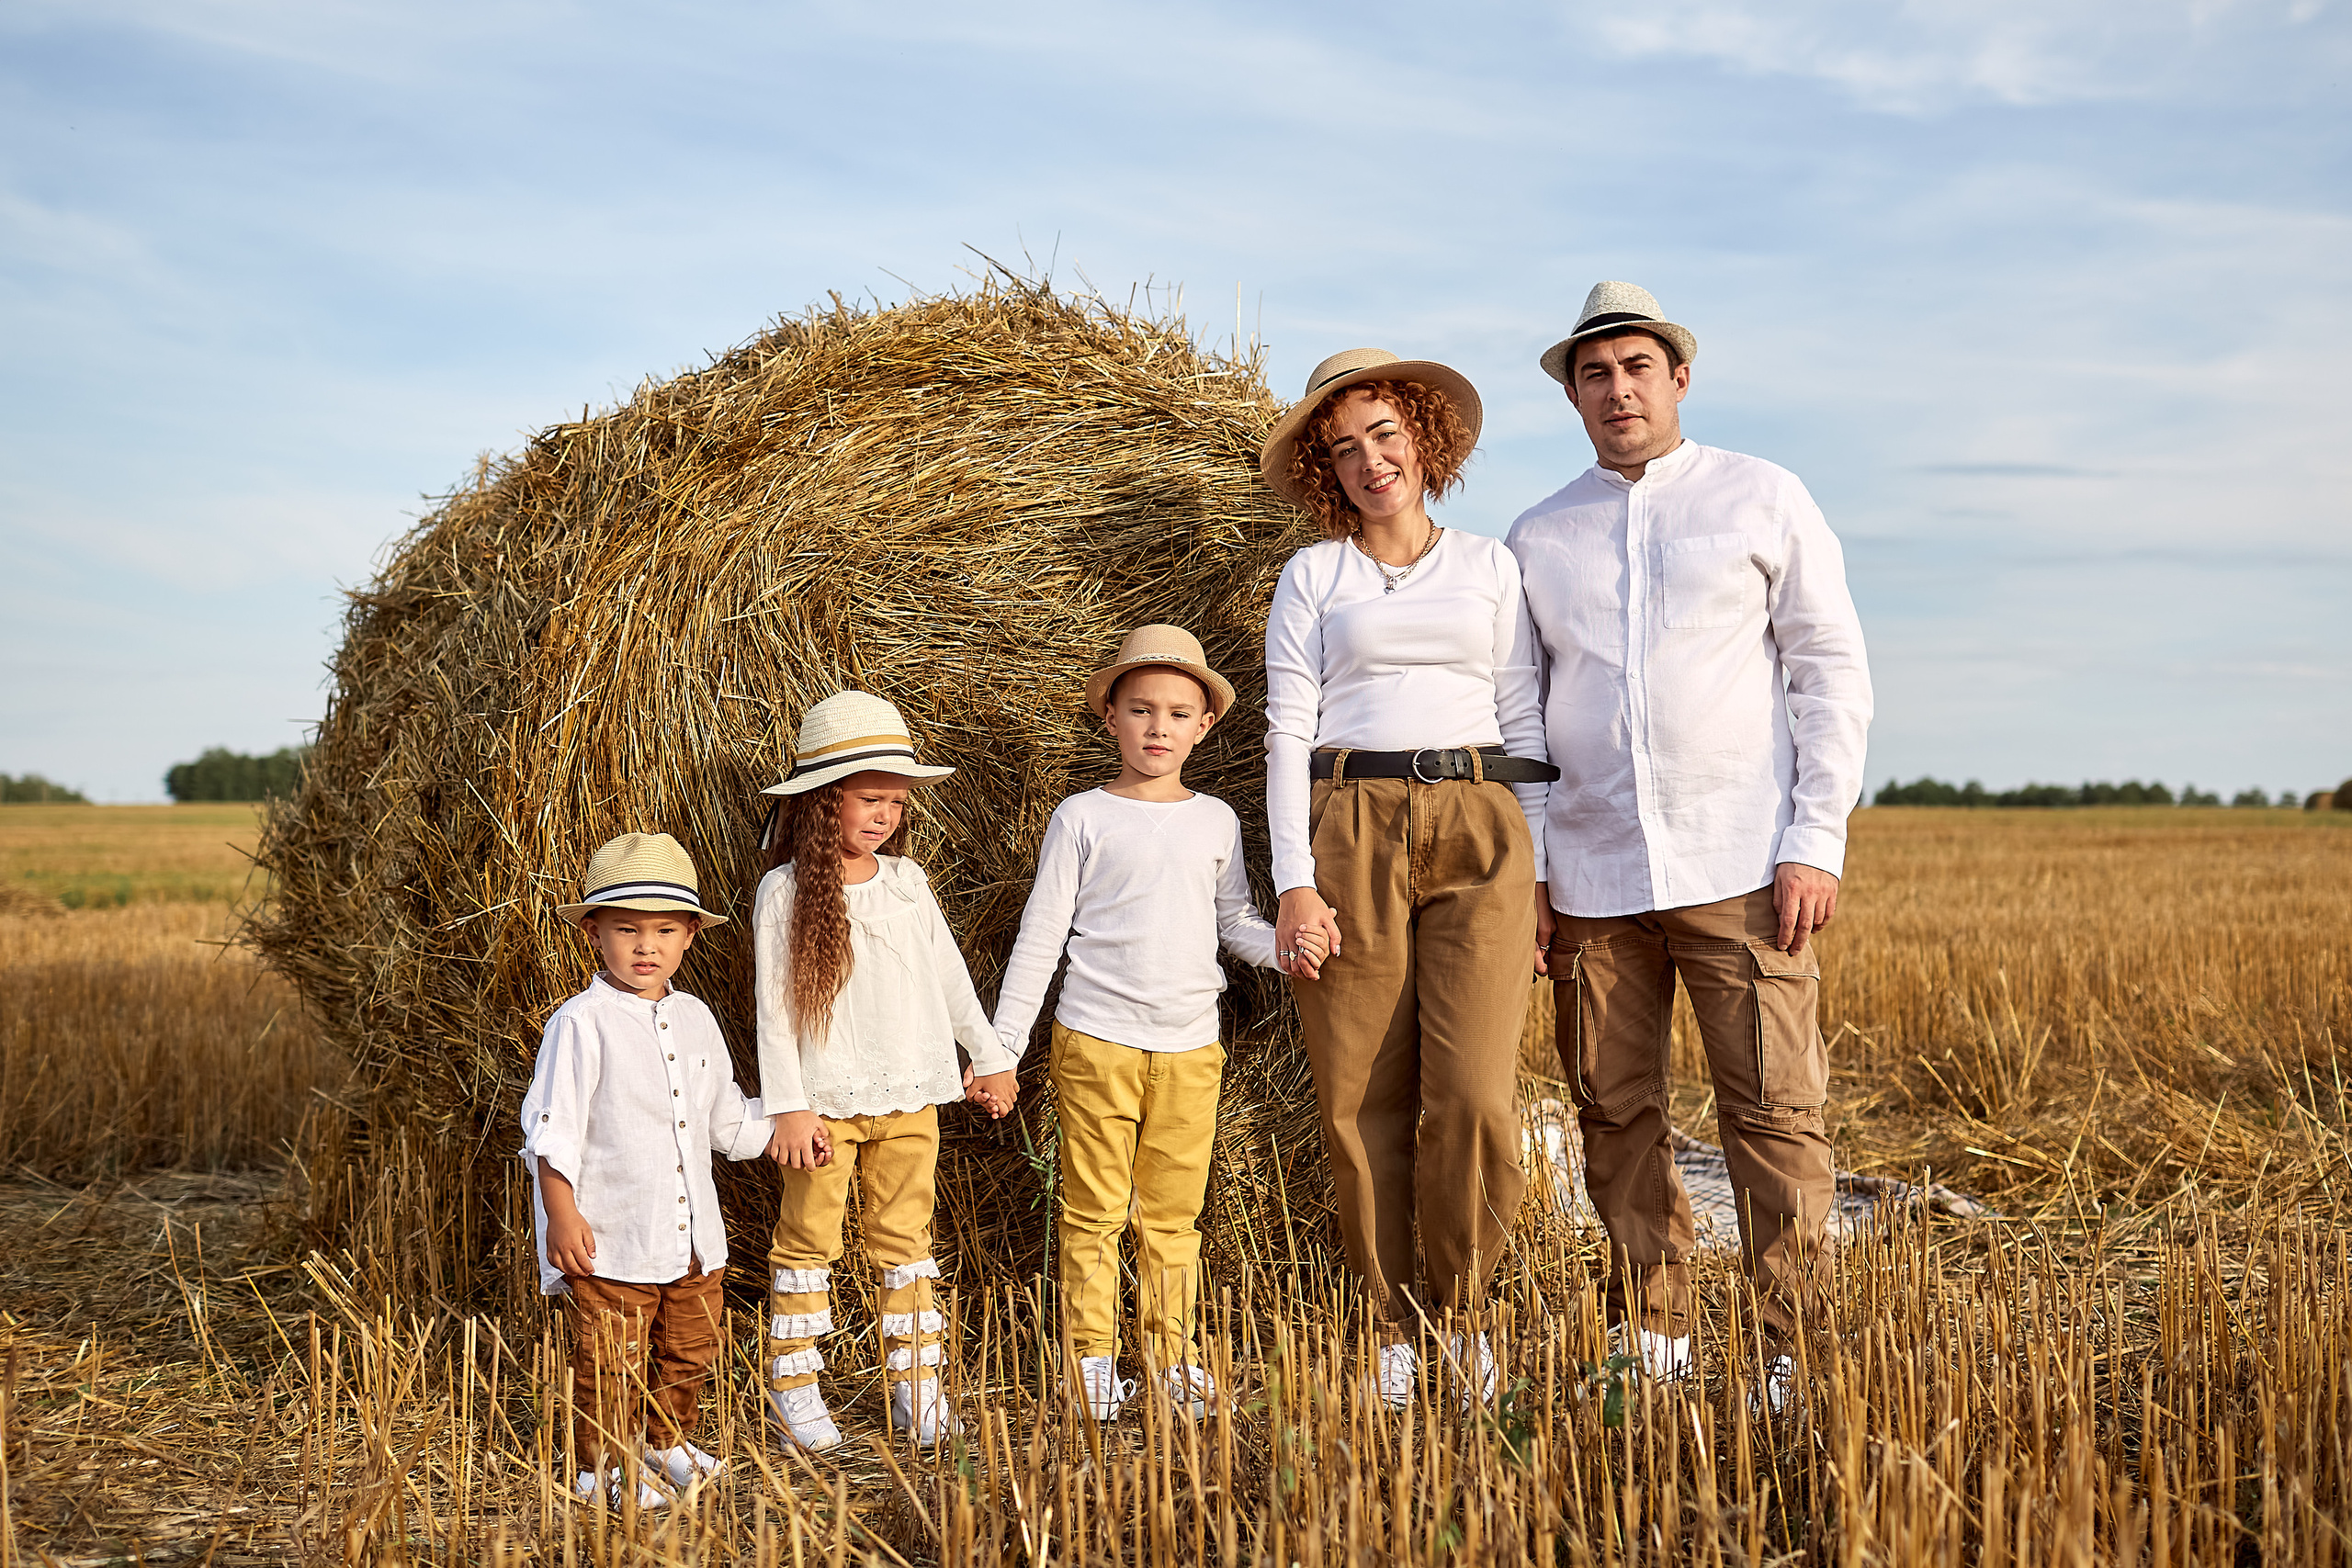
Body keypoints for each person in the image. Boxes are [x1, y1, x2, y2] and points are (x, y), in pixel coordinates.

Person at [1506, 281, 1872, 1399]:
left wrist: (1814, 838)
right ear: (1571, 393)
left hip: (1742, 865)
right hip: (1593, 871)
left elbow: (1828, 669)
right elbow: (1519, 718)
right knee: (1613, 1112)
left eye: (1635, 368)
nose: (1617, 390)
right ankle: (1650, 1336)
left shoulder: (1763, 497)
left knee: (1772, 1112)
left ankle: (1785, 1351)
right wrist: (1534, 869)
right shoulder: (1538, 534)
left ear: (1676, 378)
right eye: (1593, 373)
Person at [1258, 347, 1556, 1406]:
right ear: (1323, 473)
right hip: (1350, 822)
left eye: (1384, 435)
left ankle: (1464, 1313)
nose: (1368, 460)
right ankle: (1391, 1325)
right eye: (1343, 449)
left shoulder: (1488, 566)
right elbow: (1287, 728)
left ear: (1422, 441)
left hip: (1480, 822)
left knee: (1473, 1093)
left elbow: (1524, 718)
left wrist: (1544, 872)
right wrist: (1293, 878)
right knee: (1358, 1098)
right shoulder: (1313, 577)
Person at [978, 623, 1286, 1423]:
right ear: (1109, 716)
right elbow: (1042, 935)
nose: (1159, 727)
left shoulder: (1216, 819)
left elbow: (1236, 923)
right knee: (1092, 1209)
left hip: (1191, 1048)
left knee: (1173, 1216)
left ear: (1204, 724)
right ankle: (1090, 1358)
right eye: (1141, 709)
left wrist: (1293, 948)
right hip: (1095, 1041)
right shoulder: (1082, 816)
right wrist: (1002, 1048)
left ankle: (1169, 1355)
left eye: (1178, 713)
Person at [753, 690, 997, 1450]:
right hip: (824, 1102)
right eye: (870, 798)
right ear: (824, 801)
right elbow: (772, 1008)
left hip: (911, 1093)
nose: (885, 814)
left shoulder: (908, 884)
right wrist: (787, 1106)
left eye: (895, 801)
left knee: (907, 1238)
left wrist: (987, 1055)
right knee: (809, 1240)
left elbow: (952, 979)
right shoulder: (784, 891)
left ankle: (917, 1386)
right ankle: (794, 1385)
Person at [521, 830, 772, 1509]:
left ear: (691, 934)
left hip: (693, 1236)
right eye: (626, 929)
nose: (645, 946)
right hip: (615, 1237)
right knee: (610, 1360)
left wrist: (790, 1123)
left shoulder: (695, 1017)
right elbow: (553, 1129)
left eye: (664, 929)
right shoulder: (580, 1023)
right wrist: (562, 1210)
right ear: (593, 933)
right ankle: (600, 1469)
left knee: (692, 1346)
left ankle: (665, 1441)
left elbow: (726, 1119)